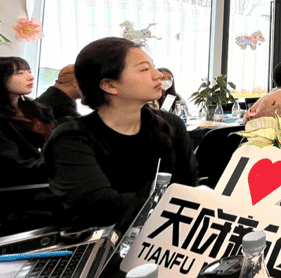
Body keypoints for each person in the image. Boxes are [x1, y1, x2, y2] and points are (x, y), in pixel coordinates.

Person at [44, 38, 199, 231]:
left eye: (153, 66)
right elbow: (101, 208)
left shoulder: (170, 125)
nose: (158, 75)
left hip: (166, 234)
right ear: (109, 85)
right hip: (101, 241)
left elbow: (188, 184)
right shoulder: (71, 139)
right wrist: (168, 202)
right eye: (144, 69)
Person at [1, 57, 54, 186]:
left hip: (47, 180)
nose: (31, 77)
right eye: (20, 73)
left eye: (29, 71)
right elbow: (16, 166)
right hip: (21, 187)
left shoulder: (38, 111)